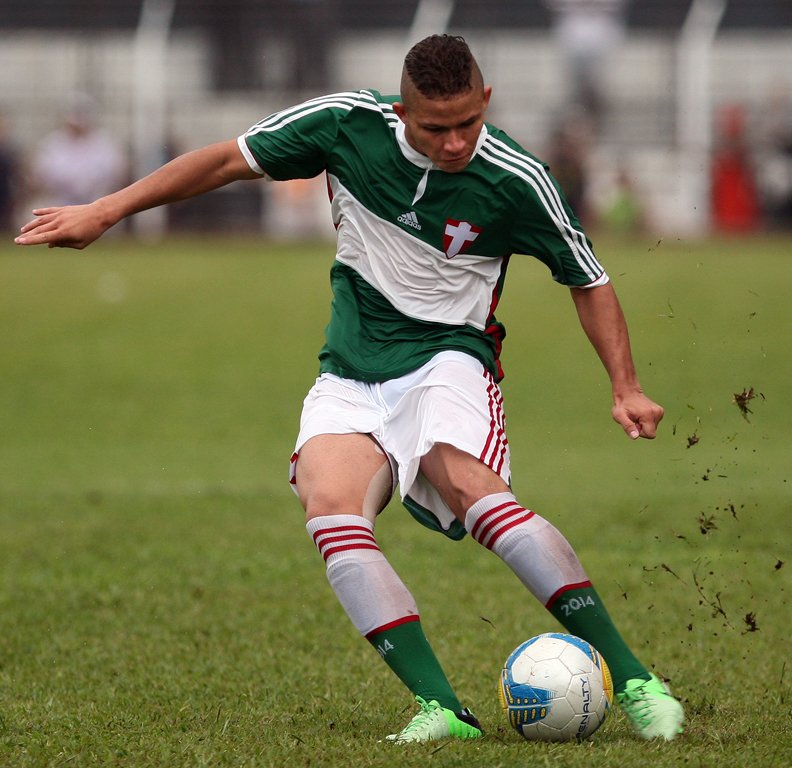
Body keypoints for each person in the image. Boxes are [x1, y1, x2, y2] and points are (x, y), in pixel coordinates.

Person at [15, 35, 684, 744]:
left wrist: (626, 386)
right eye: (436, 127)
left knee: (469, 488)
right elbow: (222, 161)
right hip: (351, 369)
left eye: (468, 123)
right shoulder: (344, 125)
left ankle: (636, 679)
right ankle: (443, 711)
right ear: (402, 111)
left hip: (449, 360)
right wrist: (107, 211)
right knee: (329, 504)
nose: (455, 141)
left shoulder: (516, 177)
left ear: (485, 101)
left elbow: (588, 277)